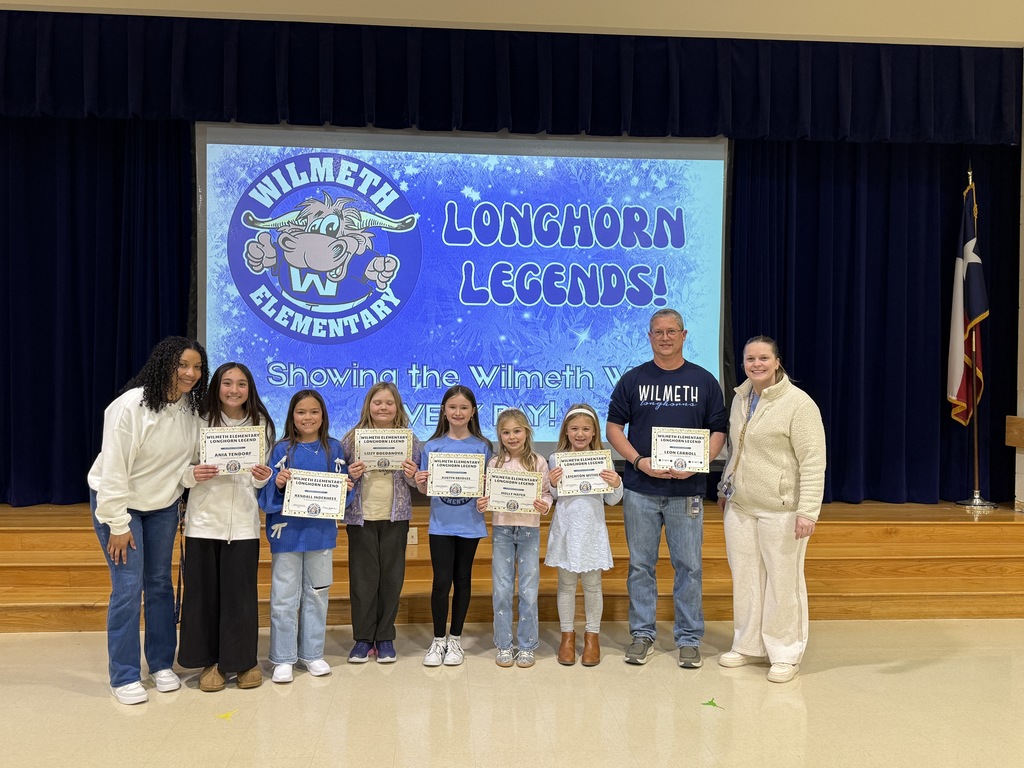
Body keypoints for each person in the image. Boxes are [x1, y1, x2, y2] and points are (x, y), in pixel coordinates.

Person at [88, 336, 209, 705]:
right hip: (119, 505)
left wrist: (193, 476)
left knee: (158, 583)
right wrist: (118, 524)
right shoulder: (130, 406)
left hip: (162, 506)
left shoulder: (193, 410)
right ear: (163, 365)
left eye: (197, 367)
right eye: (182, 365)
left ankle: (160, 664)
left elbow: (180, 469)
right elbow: (113, 470)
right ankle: (123, 675)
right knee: (127, 588)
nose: (190, 373)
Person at [606, 308, 728, 667]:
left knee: (688, 566)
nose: (665, 337)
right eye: (658, 332)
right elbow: (614, 427)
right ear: (649, 336)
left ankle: (689, 638)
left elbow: (718, 430)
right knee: (641, 566)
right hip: (640, 489)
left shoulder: (705, 381)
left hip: (687, 492)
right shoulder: (632, 379)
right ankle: (642, 635)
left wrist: (699, 461)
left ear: (684, 334)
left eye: (671, 331)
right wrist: (638, 461)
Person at [717, 336, 826, 683]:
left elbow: (813, 462)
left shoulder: (799, 404)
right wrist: (725, 486)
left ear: (777, 361)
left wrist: (807, 511)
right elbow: (738, 449)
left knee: (783, 582)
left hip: (782, 510)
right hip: (740, 507)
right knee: (746, 580)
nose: (756, 364)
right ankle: (748, 644)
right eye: (750, 358)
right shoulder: (740, 398)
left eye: (764, 358)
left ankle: (784, 652)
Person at [177, 362, 275, 692]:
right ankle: (210, 663)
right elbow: (179, 468)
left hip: (244, 525)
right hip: (204, 523)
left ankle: (243, 661)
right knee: (204, 597)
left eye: (242, 384)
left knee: (241, 597)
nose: (234, 390)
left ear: (251, 389)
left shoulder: (262, 425)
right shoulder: (197, 422)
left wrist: (264, 479)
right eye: (227, 383)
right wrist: (193, 475)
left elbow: (261, 479)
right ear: (216, 386)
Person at [259, 389, 352, 684]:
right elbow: (267, 493)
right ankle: (283, 658)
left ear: (323, 415)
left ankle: (312, 653)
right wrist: (279, 482)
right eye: (301, 412)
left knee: (316, 594)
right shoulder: (281, 450)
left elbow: (343, 497)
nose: (307, 417)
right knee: (284, 597)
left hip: (320, 535)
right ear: (292, 416)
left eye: (314, 412)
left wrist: (345, 489)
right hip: (286, 534)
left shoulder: (334, 449)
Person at [340, 382, 423, 664]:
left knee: (391, 578)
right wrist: (350, 474)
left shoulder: (410, 440)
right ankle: (363, 638)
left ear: (397, 407)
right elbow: (342, 481)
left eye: (389, 403)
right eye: (378, 403)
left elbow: (417, 482)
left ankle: (385, 636)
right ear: (368, 406)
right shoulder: (351, 439)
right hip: (361, 518)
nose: (383, 408)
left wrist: (413, 475)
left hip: (395, 517)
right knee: (363, 581)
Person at [415, 385, 493, 667]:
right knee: (440, 582)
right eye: (453, 407)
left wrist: (488, 497)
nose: (458, 412)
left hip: (470, 523)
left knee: (463, 581)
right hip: (440, 525)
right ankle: (438, 640)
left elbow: (488, 485)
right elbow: (425, 491)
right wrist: (421, 482)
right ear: (444, 411)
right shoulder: (432, 446)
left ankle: (456, 639)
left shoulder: (483, 446)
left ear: (473, 412)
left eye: (464, 407)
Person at [545, 403, 622, 667]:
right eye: (575, 428)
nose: (580, 434)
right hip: (567, 528)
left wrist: (616, 483)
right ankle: (567, 635)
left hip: (591, 530)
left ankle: (592, 636)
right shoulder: (555, 459)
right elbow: (554, 497)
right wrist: (553, 484)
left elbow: (612, 500)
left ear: (594, 432)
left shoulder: (603, 457)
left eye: (586, 429)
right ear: (566, 431)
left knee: (592, 585)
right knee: (566, 585)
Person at [476, 409, 552, 669]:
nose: (512, 437)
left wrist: (546, 504)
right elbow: (487, 496)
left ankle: (528, 645)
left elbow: (546, 494)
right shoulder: (494, 464)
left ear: (527, 432)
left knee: (529, 590)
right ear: (499, 435)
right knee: (502, 589)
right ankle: (504, 644)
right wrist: (483, 503)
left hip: (530, 530)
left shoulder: (539, 462)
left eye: (517, 431)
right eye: (506, 432)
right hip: (503, 531)